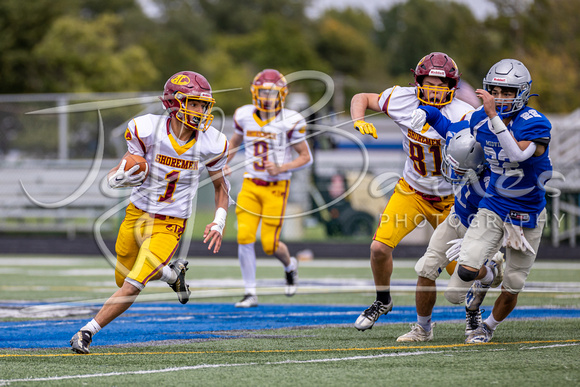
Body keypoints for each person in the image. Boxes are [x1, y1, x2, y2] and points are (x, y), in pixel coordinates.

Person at [70, 71, 230, 354]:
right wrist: (116, 177)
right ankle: (172, 275)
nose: (200, 111)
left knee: (133, 284)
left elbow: (221, 186)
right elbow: (128, 166)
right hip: (137, 213)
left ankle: (86, 332)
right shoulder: (145, 129)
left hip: (171, 223)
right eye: (192, 103)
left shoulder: (212, 142)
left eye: (203, 105)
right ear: (173, 103)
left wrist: (218, 221)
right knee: (123, 278)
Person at [416, 59, 552, 343]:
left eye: (508, 92)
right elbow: (452, 129)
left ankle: (486, 326)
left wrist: (493, 116)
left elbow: (517, 154)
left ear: (523, 93)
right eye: (496, 91)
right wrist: (427, 112)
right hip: (495, 205)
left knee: (514, 284)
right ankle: (488, 271)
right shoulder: (479, 118)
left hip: (528, 212)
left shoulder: (533, 122)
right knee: (462, 278)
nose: (500, 98)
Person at [350, 52, 474, 331]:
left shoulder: (463, 113)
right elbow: (361, 98)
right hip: (412, 191)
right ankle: (383, 300)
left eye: (442, 85)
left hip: (451, 199)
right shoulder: (401, 98)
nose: (435, 90)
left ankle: (472, 311)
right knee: (379, 248)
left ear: (453, 87)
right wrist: (358, 119)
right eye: (430, 83)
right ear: (418, 81)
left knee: (463, 268)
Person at [395, 127, 504, 342]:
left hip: (484, 230)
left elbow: (494, 220)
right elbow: (442, 121)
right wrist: (425, 111)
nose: (452, 170)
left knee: (454, 295)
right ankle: (423, 329)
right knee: (426, 268)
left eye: (459, 166)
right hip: (455, 218)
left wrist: (471, 241)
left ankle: (489, 272)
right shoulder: (463, 142)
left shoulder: (495, 184)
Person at [225, 69, 312, 308]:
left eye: (272, 93)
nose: (267, 97)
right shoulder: (243, 115)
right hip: (251, 184)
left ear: (282, 94)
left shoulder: (290, 120)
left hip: (276, 187)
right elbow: (235, 141)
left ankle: (289, 265)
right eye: (263, 91)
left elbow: (306, 157)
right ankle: (250, 292)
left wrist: (282, 166)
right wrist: (224, 163)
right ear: (255, 92)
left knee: (270, 244)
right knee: (244, 236)